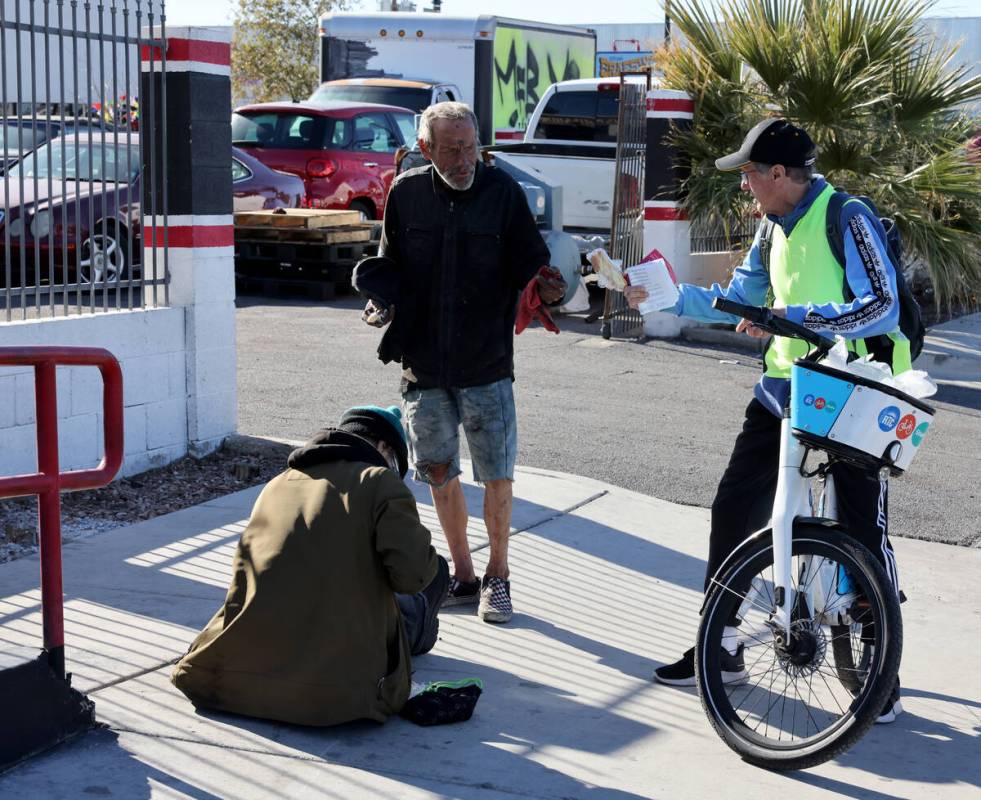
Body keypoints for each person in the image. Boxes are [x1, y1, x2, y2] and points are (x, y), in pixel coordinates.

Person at [626, 118, 907, 722]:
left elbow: (880, 306)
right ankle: (720, 642)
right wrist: (664, 296)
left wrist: (794, 316)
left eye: (751, 173)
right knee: (734, 505)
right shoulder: (770, 229)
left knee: (863, 527)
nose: (745, 184)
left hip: (853, 389)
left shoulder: (845, 216)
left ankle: (880, 658)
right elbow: (743, 300)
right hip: (785, 385)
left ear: (779, 174)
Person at [359, 101, 566, 625]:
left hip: (486, 362)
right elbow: (391, 267)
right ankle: (464, 574)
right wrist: (379, 302)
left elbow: (533, 264)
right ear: (425, 149)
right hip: (422, 362)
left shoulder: (502, 193)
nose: (463, 158)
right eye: (450, 149)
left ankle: (499, 577)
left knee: (497, 474)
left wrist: (548, 286)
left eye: (470, 146)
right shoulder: (405, 196)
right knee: (438, 472)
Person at [171, 406, 450, 727]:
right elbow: (412, 576)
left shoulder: (277, 484)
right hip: (337, 697)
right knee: (435, 573)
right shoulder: (380, 481)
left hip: (235, 677)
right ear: (385, 448)